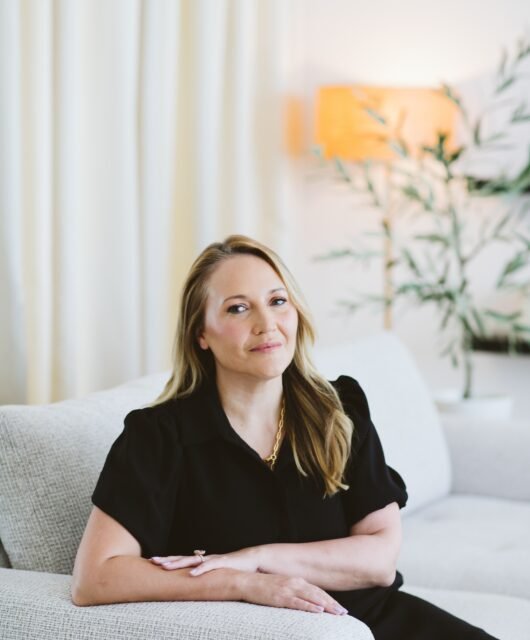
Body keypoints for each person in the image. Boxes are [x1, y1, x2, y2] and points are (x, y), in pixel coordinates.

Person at [72, 235, 499, 639]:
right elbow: (95, 578)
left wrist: (259, 559)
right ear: (201, 333)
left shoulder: (339, 409)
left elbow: (380, 560)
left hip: (373, 620)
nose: (267, 324)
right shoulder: (158, 436)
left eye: (278, 301)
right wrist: (241, 582)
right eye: (238, 309)